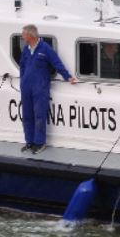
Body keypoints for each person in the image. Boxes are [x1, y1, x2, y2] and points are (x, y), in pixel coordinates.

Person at [18, 24, 77, 154]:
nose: (22, 36)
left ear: (30, 35)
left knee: (39, 115)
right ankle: (29, 141)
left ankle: (39, 142)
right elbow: (22, 65)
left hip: (40, 87)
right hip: (26, 87)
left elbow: (57, 63)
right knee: (27, 115)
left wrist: (67, 77)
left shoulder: (45, 49)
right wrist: (22, 81)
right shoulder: (26, 49)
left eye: (23, 34)